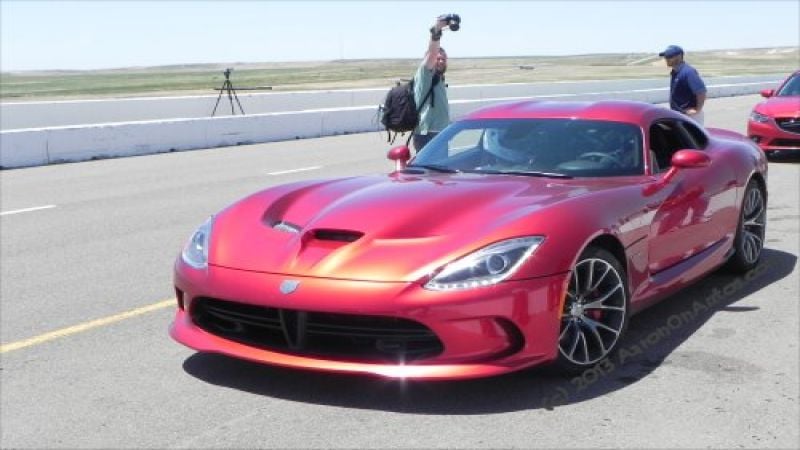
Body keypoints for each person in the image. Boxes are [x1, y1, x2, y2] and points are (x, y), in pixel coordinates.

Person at [411, 17, 452, 152]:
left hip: (439, 133)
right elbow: (433, 52)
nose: (440, 61)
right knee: (429, 173)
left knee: (440, 172)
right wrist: (437, 30)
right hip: (427, 134)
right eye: (438, 59)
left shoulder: (439, 78)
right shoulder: (425, 73)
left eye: (443, 59)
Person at [659, 45, 707, 125]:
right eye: (666, 57)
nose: (666, 59)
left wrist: (697, 110)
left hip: (690, 116)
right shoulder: (675, 72)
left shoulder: (688, 72)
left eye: (669, 56)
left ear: (679, 56)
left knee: (692, 137)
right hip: (680, 114)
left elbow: (701, 91)